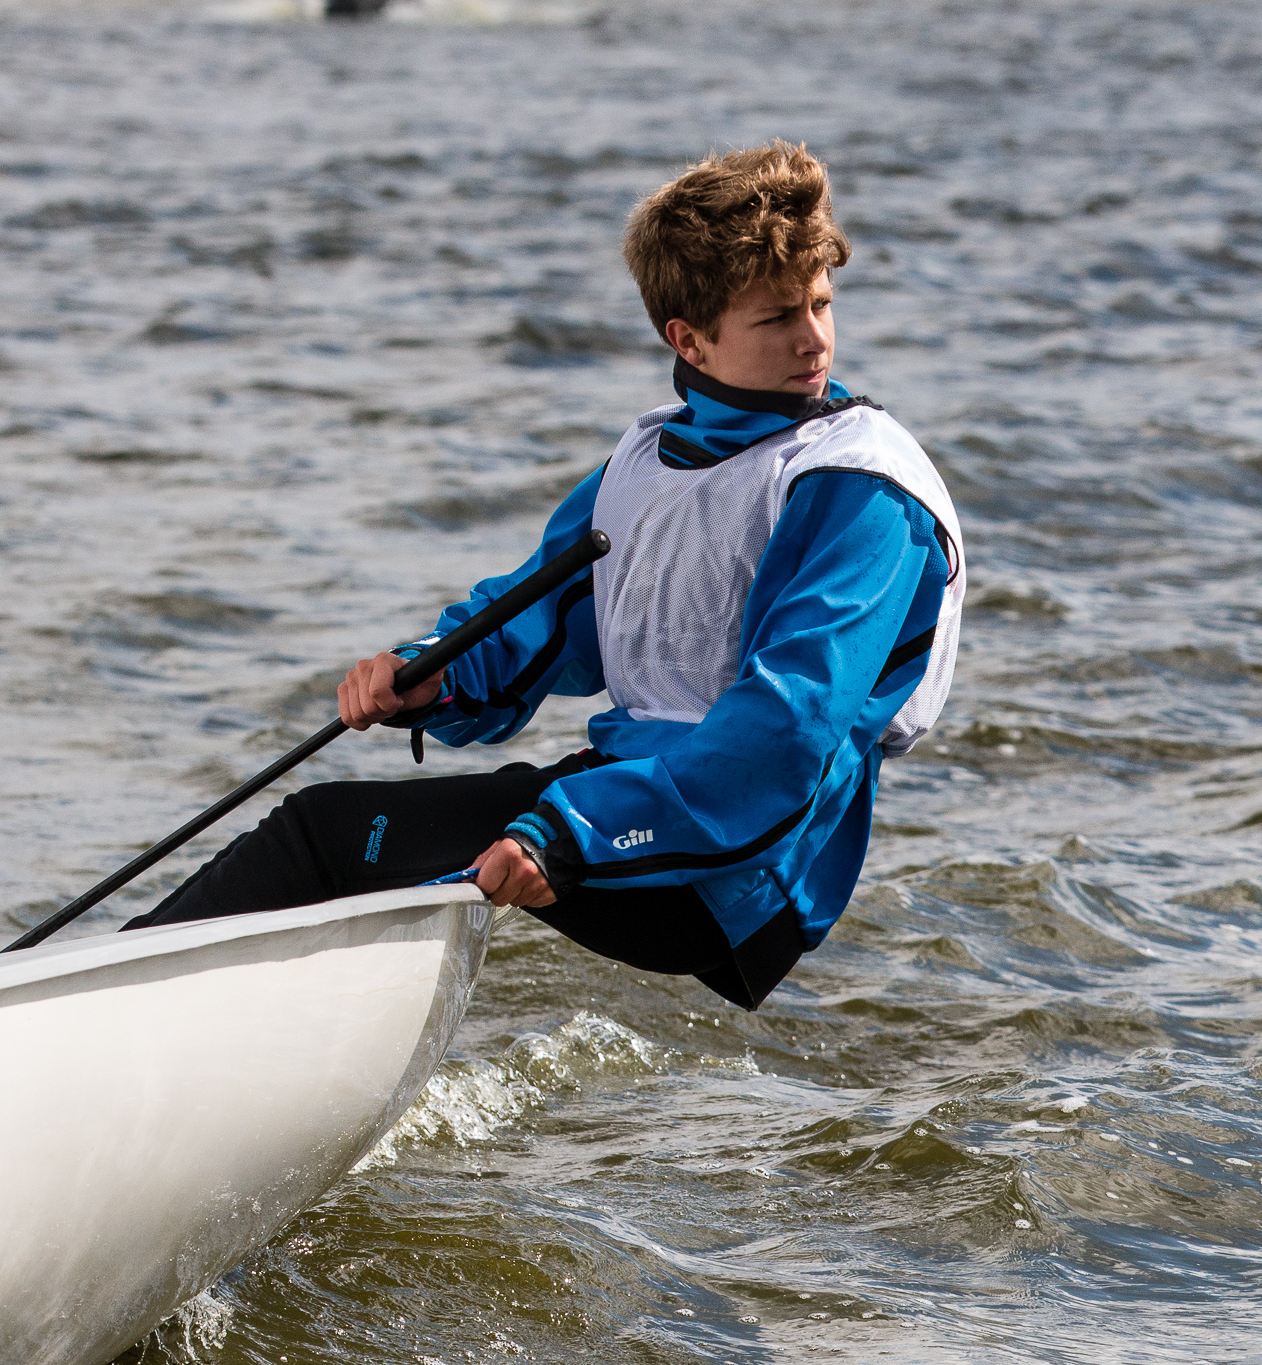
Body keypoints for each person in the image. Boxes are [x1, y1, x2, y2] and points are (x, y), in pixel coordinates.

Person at [122, 141, 964, 1012]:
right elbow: (539, 614)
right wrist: (434, 672)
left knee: (324, 836)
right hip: (631, 797)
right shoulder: (652, 460)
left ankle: (100, 1003)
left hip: (741, 868)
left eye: (821, 303)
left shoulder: (863, 488)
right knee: (366, 857)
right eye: (778, 317)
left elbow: (790, 728)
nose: (814, 337)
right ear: (689, 339)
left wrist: (570, 831)